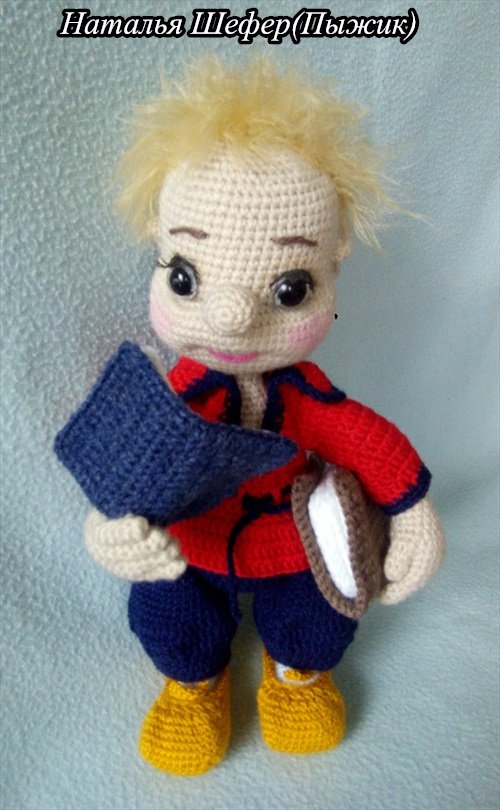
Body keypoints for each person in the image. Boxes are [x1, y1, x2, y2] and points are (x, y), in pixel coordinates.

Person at [84, 57, 445, 776]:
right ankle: (195, 681)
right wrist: (109, 528)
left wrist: (412, 511)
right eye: (185, 278)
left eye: (289, 288)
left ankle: (297, 672)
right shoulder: (169, 399)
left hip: (292, 543)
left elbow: (364, 438)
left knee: (318, 609)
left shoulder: (306, 397)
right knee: (169, 611)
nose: (232, 317)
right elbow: (122, 477)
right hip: (192, 544)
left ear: (332, 270)